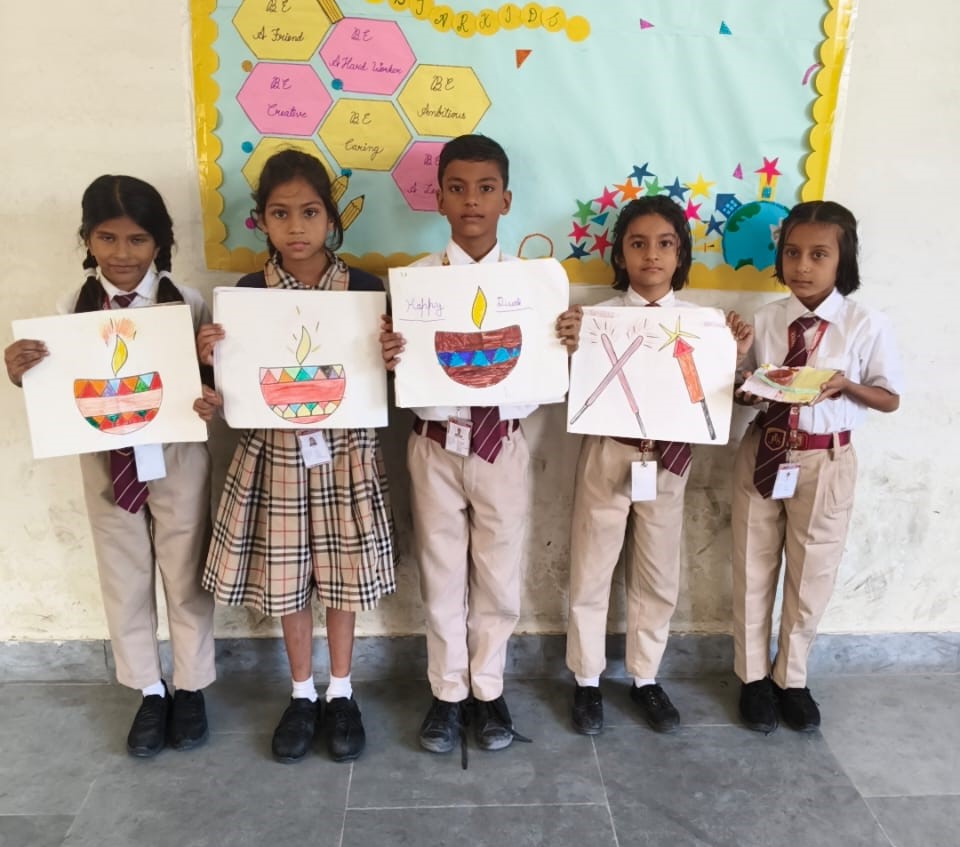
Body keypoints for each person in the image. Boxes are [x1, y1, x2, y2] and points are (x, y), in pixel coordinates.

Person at [379, 134, 582, 756]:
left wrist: (565, 339)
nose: (472, 200)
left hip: (503, 446)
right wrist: (387, 353)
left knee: (498, 575)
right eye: (458, 188)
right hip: (434, 445)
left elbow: (547, 370)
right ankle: (447, 693)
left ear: (506, 200)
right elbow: (398, 369)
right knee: (441, 575)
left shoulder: (535, 287)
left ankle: (488, 689)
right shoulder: (413, 285)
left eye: (486, 188)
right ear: (439, 199)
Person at [195, 149, 397, 764]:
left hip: (347, 453)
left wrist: (394, 355)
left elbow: (381, 380)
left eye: (310, 212)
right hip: (275, 454)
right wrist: (210, 358)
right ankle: (302, 693)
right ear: (261, 221)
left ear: (331, 219)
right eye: (280, 214)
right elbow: (229, 389)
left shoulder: (365, 290)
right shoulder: (247, 296)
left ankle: (342, 691)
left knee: (341, 574)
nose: (297, 226)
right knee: (287, 576)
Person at [4, 175, 216, 757]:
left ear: (159, 242)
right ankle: (149, 690)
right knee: (123, 575)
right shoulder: (68, 310)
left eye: (138, 239)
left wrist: (209, 389)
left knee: (186, 572)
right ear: (87, 240)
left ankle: (191, 687)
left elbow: (207, 382)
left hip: (175, 454)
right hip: (105, 460)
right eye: (107, 238)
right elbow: (56, 384)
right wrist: (21, 371)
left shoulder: (186, 302)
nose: (122, 253)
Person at [565, 196, 752, 735]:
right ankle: (586, 680)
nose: (651, 255)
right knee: (591, 567)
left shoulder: (703, 325)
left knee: (658, 572)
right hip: (608, 450)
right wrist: (570, 345)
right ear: (620, 255)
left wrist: (734, 355)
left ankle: (645, 677)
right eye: (638, 244)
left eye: (665, 244)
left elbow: (708, 392)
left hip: (668, 459)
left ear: (681, 254)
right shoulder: (596, 320)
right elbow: (571, 381)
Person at [732, 200, 901, 733]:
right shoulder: (767, 319)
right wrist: (743, 380)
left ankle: (792, 679)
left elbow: (889, 398)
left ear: (842, 260)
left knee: (812, 571)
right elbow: (744, 390)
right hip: (765, 448)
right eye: (792, 253)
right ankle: (752, 678)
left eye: (818, 254)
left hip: (825, 458)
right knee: (752, 565)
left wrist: (845, 384)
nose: (802, 265)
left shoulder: (863, 323)